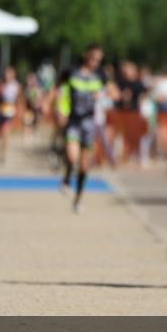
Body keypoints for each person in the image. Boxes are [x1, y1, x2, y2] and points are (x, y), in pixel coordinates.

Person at [58, 44, 111, 213]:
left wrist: (102, 94)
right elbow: (57, 88)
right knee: (72, 157)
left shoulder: (101, 75)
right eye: (93, 58)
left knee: (84, 165)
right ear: (86, 55)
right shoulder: (71, 72)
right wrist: (53, 106)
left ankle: (78, 199)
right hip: (73, 121)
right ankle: (66, 178)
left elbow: (114, 93)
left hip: (90, 124)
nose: (95, 62)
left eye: (98, 60)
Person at [0, 67, 20, 165]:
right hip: (0, 112)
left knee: (5, 132)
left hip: (9, 112)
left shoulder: (16, 85)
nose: (7, 75)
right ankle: (2, 145)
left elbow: (18, 99)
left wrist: (17, 111)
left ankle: (3, 154)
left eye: (9, 74)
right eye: (6, 74)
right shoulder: (1, 84)